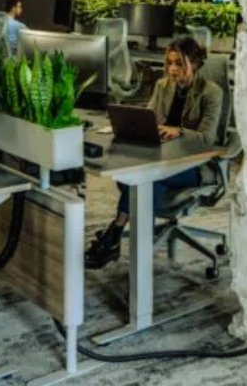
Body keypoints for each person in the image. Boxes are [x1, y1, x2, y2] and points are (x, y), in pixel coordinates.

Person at [84, 35, 223, 269]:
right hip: (162, 157)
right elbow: (149, 120)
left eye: (179, 63)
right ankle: (119, 241)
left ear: (194, 63)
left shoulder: (211, 92)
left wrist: (178, 131)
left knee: (143, 181)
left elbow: (206, 139)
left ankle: (114, 233)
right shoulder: (162, 86)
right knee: (132, 173)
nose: (172, 69)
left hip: (193, 165)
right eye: (169, 63)